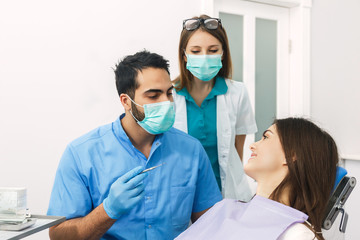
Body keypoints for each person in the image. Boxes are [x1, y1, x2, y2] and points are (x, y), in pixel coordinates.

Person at [47, 50, 222, 240]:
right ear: (126, 101)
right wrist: (108, 210)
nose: (166, 102)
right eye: (153, 96)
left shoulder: (191, 150)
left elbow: (211, 225)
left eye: (169, 93)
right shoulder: (81, 154)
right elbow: (59, 236)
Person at [175, 117, 338, 240]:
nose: (253, 145)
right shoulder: (225, 208)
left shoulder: (296, 235)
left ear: (291, 155)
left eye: (266, 137)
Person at [172, 15, 257, 201]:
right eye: (196, 51)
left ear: (223, 53)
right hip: (184, 194)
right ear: (184, 55)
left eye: (212, 50)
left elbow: (237, 149)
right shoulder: (169, 96)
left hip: (226, 193)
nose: (204, 57)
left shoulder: (237, 92)